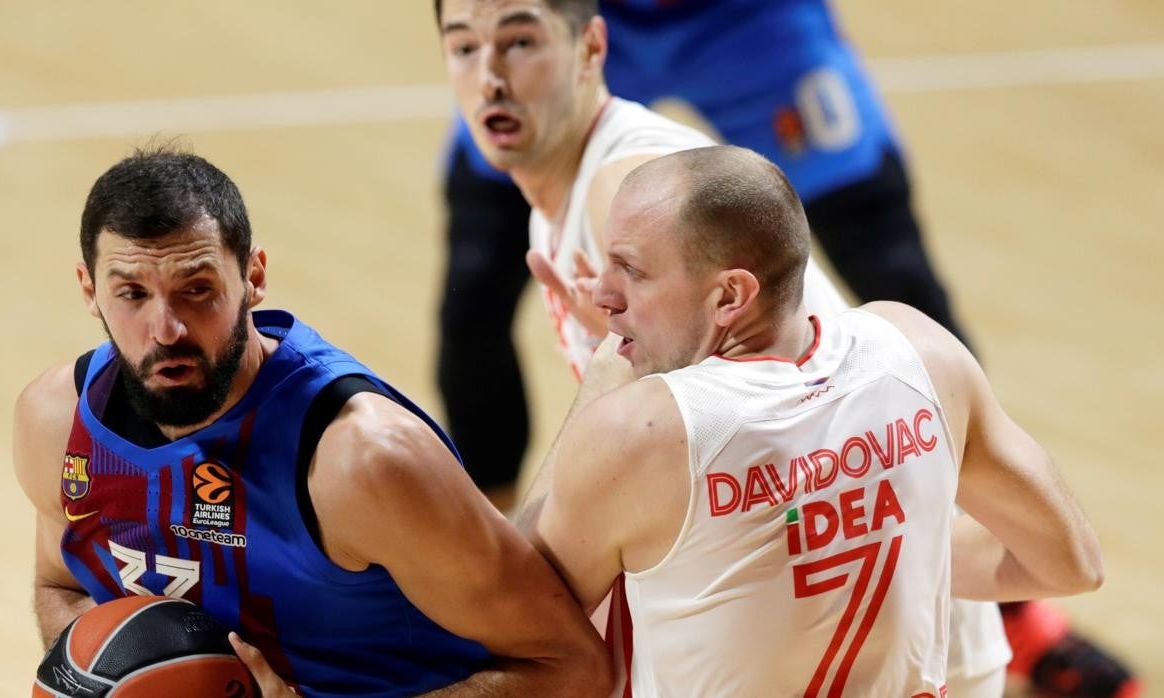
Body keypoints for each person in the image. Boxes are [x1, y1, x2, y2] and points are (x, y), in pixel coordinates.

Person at [436, 2, 1141, 694]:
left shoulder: (630, 198)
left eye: (520, 42)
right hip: (883, 591)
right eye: (464, 47)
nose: (491, 75)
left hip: (858, 617)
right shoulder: (599, 207)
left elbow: (541, 600)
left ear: (592, 47)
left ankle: (1026, 624)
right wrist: (904, 544)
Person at [12, 147, 611, 697]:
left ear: (253, 277)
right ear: (89, 290)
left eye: (197, 289)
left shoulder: (362, 460)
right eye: (132, 294)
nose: (166, 329)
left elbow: (569, 666)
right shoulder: (57, 422)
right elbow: (61, 587)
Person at [518, 145, 1104, 696]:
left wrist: (605, 377)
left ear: (729, 297)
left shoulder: (643, 431)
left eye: (631, 271)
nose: (602, 296)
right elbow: (1071, 562)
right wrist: (867, 534)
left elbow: (509, 614)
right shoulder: (920, 352)